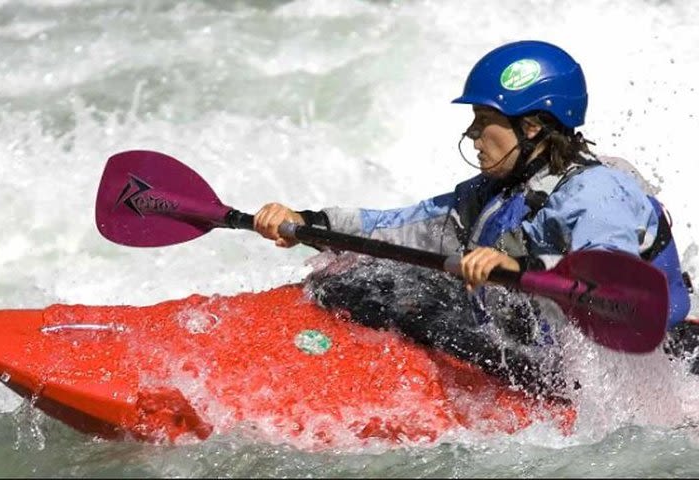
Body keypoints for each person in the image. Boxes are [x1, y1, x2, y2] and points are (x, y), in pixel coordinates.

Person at [253, 40, 694, 397]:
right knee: (365, 276)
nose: (473, 136)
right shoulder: (490, 195)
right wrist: (306, 222)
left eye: (484, 121)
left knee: (393, 297)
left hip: (609, 375)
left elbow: (613, 279)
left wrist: (517, 268)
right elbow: (395, 227)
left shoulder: (597, 192)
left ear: (534, 127)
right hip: (536, 349)